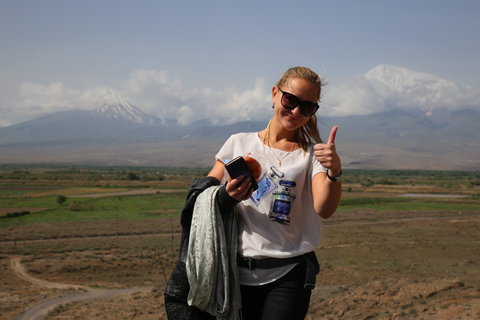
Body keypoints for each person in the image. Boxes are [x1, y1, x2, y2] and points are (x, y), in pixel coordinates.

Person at [204, 66, 342, 320]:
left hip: (288, 273)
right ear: (274, 94)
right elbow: (203, 196)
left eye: (308, 107)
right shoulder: (238, 143)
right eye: (290, 100)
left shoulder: (313, 154)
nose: (296, 111)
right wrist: (226, 195)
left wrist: (334, 172)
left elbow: (325, 209)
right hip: (235, 274)